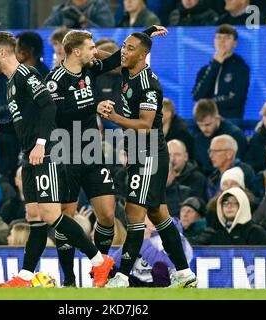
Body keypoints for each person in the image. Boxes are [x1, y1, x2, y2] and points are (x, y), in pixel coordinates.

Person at [0, 31, 115, 288]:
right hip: (30, 154)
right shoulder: (10, 83)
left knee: (52, 215)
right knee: (34, 217)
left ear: (2, 52)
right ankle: (25, 277)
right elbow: (24, 120)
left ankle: (100, 262)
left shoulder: (27, 75)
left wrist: (42, 144)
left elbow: (49, 107)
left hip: (47, 151)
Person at [45, 26, 166, 287]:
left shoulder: (90, 68)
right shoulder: (54, 79)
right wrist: (94, 106)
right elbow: (59, 115)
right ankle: (69, 280)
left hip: (91, 150)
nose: (95, 52)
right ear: (76, 51)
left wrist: (145, 34)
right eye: (91, 47)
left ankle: (99, 271)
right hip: (65, 150)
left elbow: (114, 58)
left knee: (108, 215)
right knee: (67, 216)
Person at [98, 31, 197, 288]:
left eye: (130, 48)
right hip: (138, 153)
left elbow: (145, 124)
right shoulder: (127, 68)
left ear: (143, 55)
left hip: (149, 153)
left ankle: (122, 276)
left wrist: (115, 118)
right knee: (159, 214)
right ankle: (185, 273)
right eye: (123, 46)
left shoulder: (148, 84)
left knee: (135, 213)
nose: (124, 51)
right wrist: (87, 50)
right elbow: (107, 59)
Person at [111, 215, 193, 287]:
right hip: (139, 281)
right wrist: (134, 240)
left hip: (168, 282)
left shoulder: (175, 235)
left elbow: (170, 264)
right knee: (112, 269)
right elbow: (117, 263)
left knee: (160, 268)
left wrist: (144, 241)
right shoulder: (140, 232)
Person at [192, 24, 250, 119]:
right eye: (218, 37)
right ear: (214, 42)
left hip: (231, 120)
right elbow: (197, 96)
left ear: (235, 43)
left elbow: (236, 99)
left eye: (227, 38)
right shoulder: (205, 69)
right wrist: (215, 64)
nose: (222, 41)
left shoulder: (241, 68)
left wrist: (208, 104)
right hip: (206, 120)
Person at [192, 99, 247, 176]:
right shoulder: (197, 137)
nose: (204, 129)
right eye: (200, 125)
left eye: (207, 124)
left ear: (217, 118)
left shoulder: (235, 135)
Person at [43, 0, 115, 28]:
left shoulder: (99, 7)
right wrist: (64, 29)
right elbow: (46, 29)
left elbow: (108, 31)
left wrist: (85, 23)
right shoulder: (61, 10)